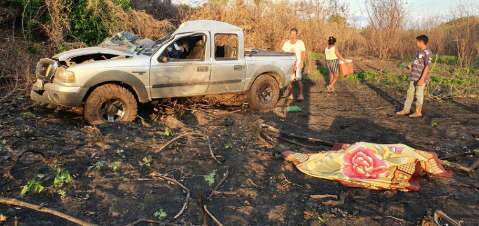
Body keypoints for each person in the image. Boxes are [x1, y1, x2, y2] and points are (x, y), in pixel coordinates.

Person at [282, 142, 450, 191]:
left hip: (362, 159)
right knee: (336, 159)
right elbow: (387, 150)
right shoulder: (411, 159)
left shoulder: (409, 165)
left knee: (335, 160)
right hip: (361, 155)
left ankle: (301, 156)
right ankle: (302, 156)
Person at [396, 35, 432, 118]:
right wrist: (410, 65)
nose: (416, 43)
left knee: (419, 95)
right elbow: (417, 62)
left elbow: (427, 66)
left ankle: (418, 112)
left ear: (421, 42)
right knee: (410, 94)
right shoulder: (418, 52)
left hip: (420, 78)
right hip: (413, 77)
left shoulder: (427, 52)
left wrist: (422, 79)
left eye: (417, 41)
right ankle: (406, 110)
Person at [282, 28, 306, 101]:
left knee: (298, 79)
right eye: (291, 34)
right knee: (290, 80)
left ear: (296, 34)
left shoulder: (300, 42)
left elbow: (303, 52)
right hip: (289, 65)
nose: (293, 35)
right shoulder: (286, 43)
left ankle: (301, 95)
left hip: (298, 64)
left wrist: (301, 62)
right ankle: (291, 94)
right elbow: (283, 53)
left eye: (294, 34)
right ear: (290, 34)